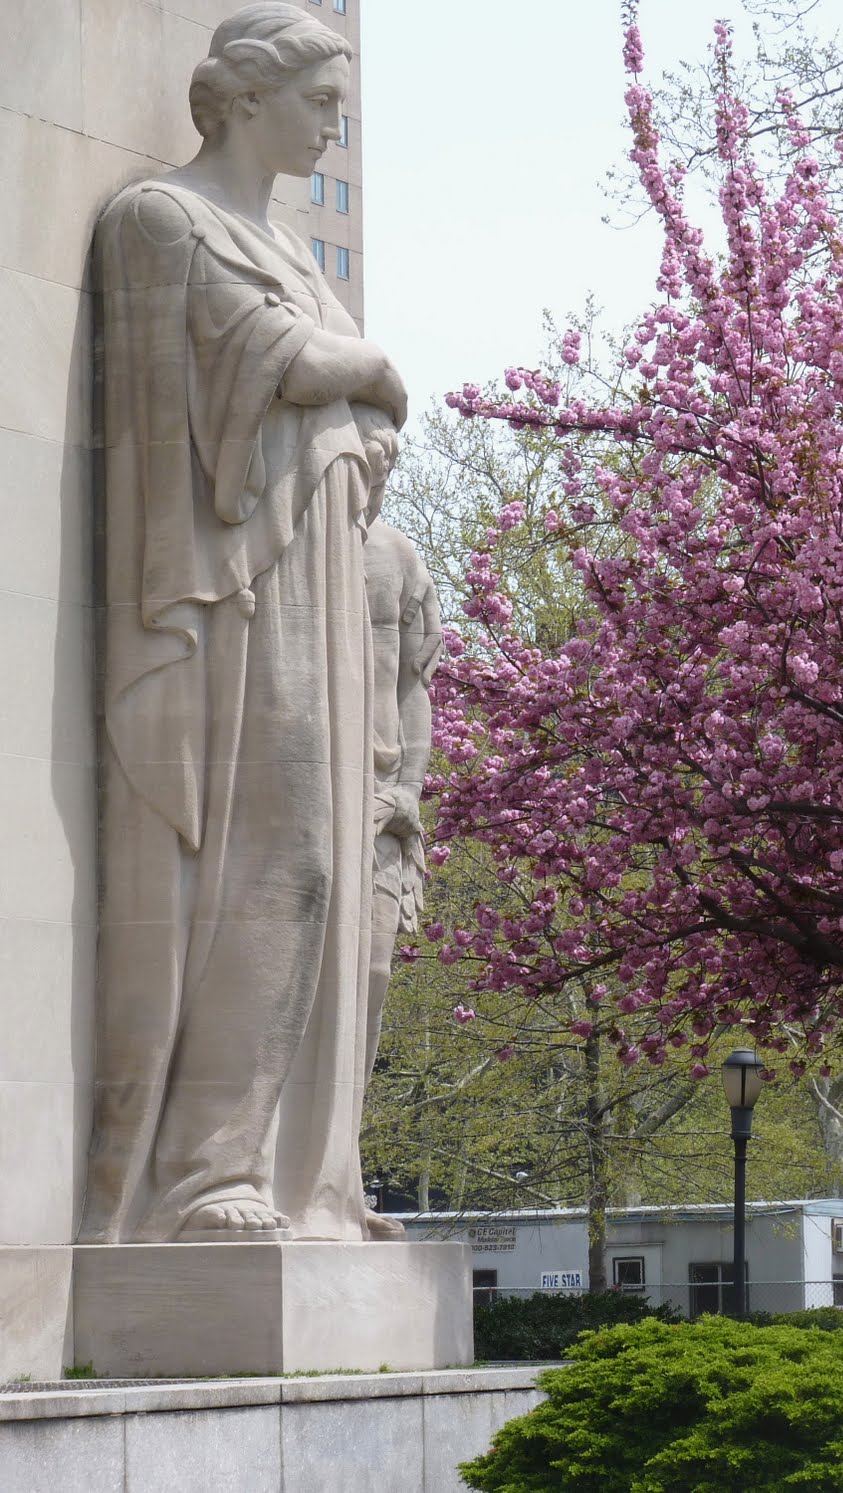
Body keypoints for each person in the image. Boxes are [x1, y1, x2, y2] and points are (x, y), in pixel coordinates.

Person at [82, 3, 406, 1243]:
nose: (332, 121)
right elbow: (237, 377)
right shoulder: (160, 218)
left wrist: (351, 384)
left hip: (312, 579)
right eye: (319, 98)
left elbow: (342, 392)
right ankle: (200, 1175)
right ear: (246, 97)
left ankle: (300, 1173)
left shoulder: (294, 250)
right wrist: (354, 373)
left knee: (318, 869)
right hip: (226, 596)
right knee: (269, 865)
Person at [362, 517, 440, 1241]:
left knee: (371, 986)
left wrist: (408, 790)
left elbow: (414, 686)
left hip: (385, 816)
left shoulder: (394, 554)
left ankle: (330, 1176)